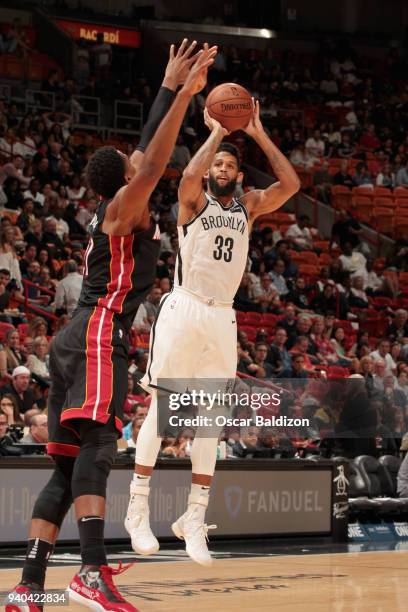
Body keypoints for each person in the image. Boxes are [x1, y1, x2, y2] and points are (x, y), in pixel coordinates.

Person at [7, 40, 216, 611]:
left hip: (77, 337)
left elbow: (146, 149)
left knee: (66, 466)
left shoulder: (117, 206)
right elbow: (154, 159)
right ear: (126, 180)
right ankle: (91, 572)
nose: (138, 160)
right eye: (131, 166)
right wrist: (187, 98)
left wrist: (171, 85)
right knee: (99, 449)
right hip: (98, 335)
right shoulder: (125, 211)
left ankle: (28, 586)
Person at [125, 99, 300, 566]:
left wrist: (258, 132)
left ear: (240, 176)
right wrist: (217, 134)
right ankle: (137, 507)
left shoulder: (250, 206)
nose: (222, 167)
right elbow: (185, 178)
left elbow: (292, 184)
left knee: (210, 423)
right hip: (184, 307)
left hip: (223, 316)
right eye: (217, 163)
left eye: (229, 164)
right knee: (162, 411)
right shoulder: (193, 200)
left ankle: (193, 518)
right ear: (210, 171)